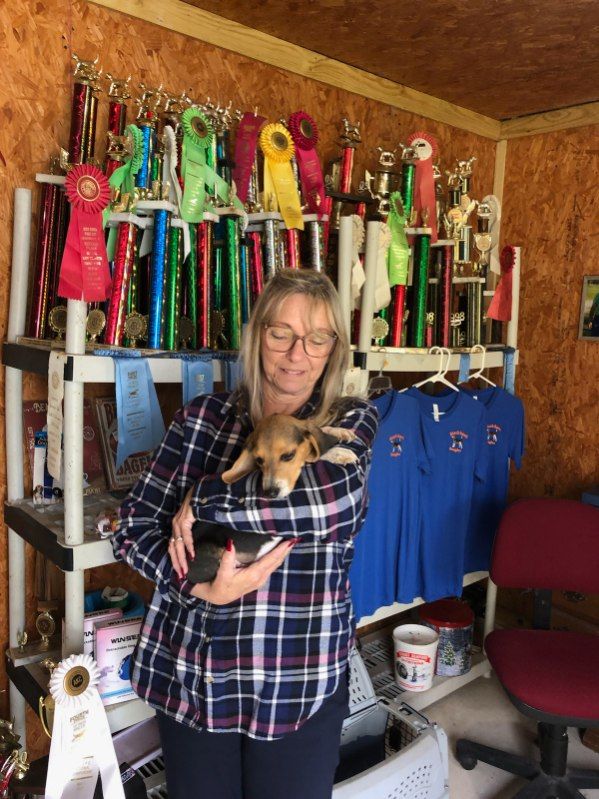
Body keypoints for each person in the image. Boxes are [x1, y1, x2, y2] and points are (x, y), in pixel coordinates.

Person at [112, 269, 378, 799]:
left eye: (317, 337)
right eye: (281, 332)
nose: (297, 353)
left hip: (295, 681)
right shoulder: (200, 420)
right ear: (257, 336)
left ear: (333, 350)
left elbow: (325, 504)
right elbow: (133, 527)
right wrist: (195, 583)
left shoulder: (348, 423)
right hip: (194, 676)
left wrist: (202, 498)